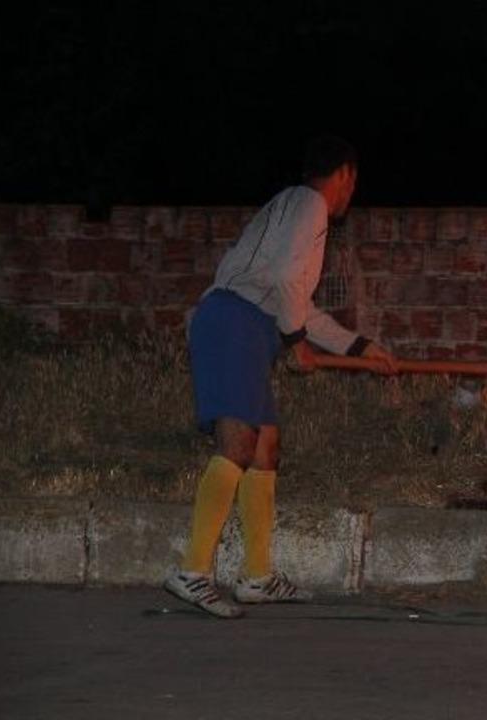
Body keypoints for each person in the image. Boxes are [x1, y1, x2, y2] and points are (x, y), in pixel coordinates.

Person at [164, 136, 396, 618]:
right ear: (345, 175)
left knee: (265, 446)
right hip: (235, 321)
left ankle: (257, 576)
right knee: (239, 442)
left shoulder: (294, 208)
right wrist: (296, 344)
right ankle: (191, 571)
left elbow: (299, 305)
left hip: (248, 325)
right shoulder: (310, 204)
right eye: (354, 181)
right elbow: (290, 288)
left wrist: (360, 347)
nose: (352, 193)